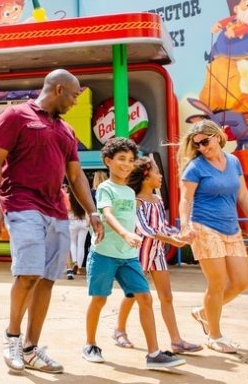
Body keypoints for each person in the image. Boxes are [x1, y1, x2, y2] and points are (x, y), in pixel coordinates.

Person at [0, 69, 103, 374]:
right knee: (28, 273)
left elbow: (76, 177)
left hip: (56, 211)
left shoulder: (66, 130)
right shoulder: (16, 115)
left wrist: (93, 212)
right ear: (60, 89)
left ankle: (30, 349)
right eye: (75, 96)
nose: (76, 102)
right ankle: (11, 338)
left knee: (47, 279)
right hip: (22, 204)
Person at [82, 137, 186, 369]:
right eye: (121, 159)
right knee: (99, 299)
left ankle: (154, 354)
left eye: (130, 160)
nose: (126, 164)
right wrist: (125, 234)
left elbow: (145, 222)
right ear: (108, 161)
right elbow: (108, 214)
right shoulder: (105, 189)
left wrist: (174, 234)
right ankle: (90, 344)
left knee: (145, 297)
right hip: (104, 255)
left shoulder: (130, 193)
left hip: (128, 257)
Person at [178, 120, 248, 354]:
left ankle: (204, 312)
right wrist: (185, 226)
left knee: (241, 282)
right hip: (204, 227)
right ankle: (214, 335)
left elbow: (242, 192)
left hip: (231, 228)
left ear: (218, 136)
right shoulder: (195, 167)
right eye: (198, 145)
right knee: (217, 284)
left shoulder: (233, 161)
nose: (203, 148)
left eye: (205, 141)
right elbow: (185, 199)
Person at [113, 157, 202, 354]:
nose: (160, 176)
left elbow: (161, 227)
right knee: (132, 294)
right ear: (146, 177)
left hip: (157, 253)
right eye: (157, 172)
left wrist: (178, 234)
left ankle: (176, 341)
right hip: (139, 254)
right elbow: (144, 228)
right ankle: (119, 330)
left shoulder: (158, 199)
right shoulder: (135, 202)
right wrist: (172, 240)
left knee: (166, 297)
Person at [66, 187, 88, 280]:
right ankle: (78, 268)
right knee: (81, 245)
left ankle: (74, 262)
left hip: (72, 221)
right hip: (84, 221)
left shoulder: (68, 197)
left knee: (72, 243)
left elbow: (67, 209)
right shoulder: (84, 196)